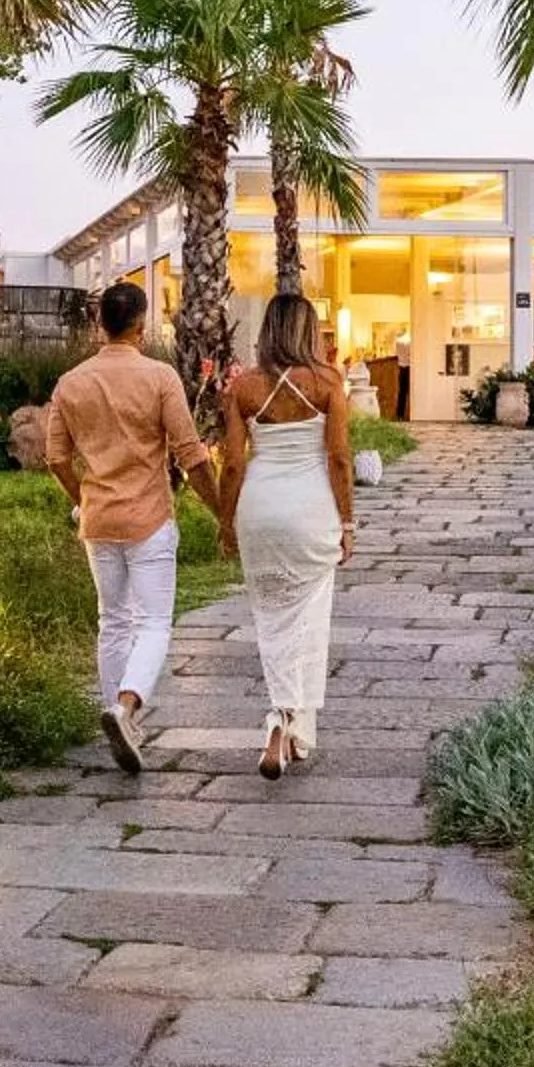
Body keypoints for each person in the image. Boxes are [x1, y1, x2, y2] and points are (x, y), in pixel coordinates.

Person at [46, 280, 216, 772]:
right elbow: (191, 455)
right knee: (155, 621)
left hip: (99, 520)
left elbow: (56, 459)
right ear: (141, 325)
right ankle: (126, 706)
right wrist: (222, 511)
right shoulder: (160, 378)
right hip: (149, 518)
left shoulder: (71, 383)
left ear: (101, 325)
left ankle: (117, 717)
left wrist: (84, 498)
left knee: (112, 620)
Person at [218, 293, 355, 779]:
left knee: (272, 622)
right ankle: (281, 721)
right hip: (311, 508)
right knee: (308, 622)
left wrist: (225, 520)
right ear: (308, 331)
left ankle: (290, 728)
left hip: (259, 509)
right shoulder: (328, 382)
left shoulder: (243, 388)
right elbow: (339, 459)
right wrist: (347, 522)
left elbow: (233, 463)